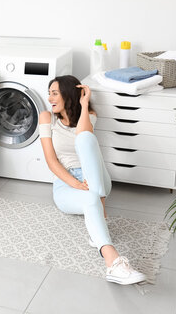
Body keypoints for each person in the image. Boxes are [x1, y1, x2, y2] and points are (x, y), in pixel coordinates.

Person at [39, 75, 146, 285]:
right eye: (49, 93)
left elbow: (82, 136)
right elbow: (52, 162)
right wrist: (75, 184)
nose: (49, 98)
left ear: (69, 95)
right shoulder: (46, 117)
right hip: (66, 183)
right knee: (90, 200)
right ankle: (113, 263)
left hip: (95, 176)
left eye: (54, 93)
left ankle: (99, 209)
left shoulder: (89, 115)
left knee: (86, 138)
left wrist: (84, 103)